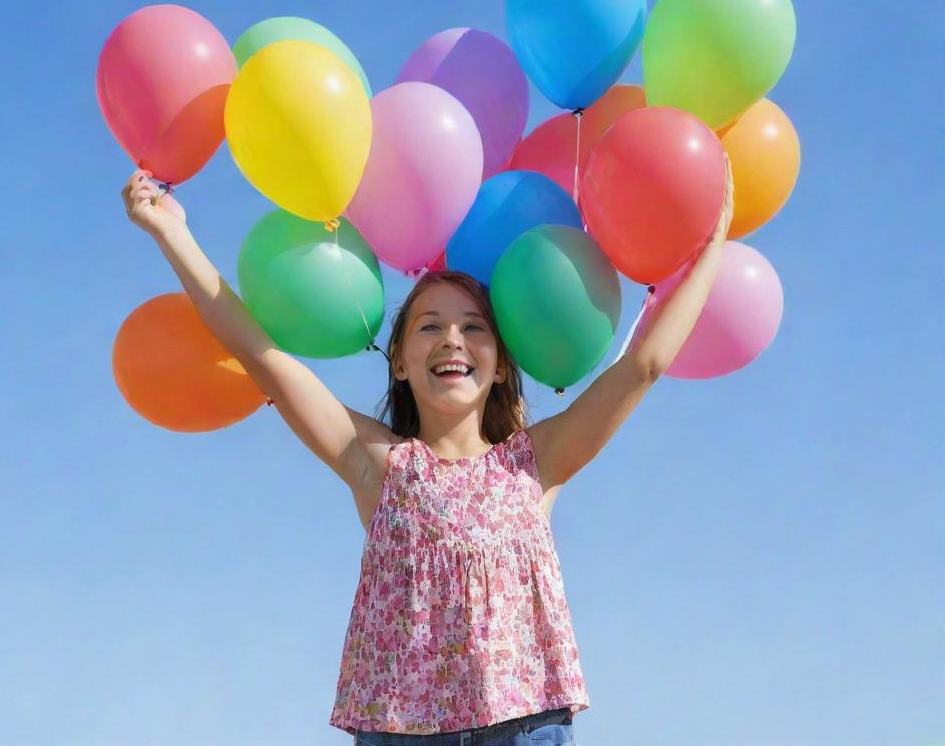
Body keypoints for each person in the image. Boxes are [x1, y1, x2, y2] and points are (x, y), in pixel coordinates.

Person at [121, 156, 734, 745]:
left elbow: (646, 363)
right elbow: (262, 355)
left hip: (525, 728)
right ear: (401, 365)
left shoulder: (536, 462)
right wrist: (172, 234)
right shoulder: (377, 464)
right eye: (428, 326)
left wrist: (713, 246)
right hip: (397, 734)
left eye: (473, 326)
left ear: (498, 367)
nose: (452, 338)